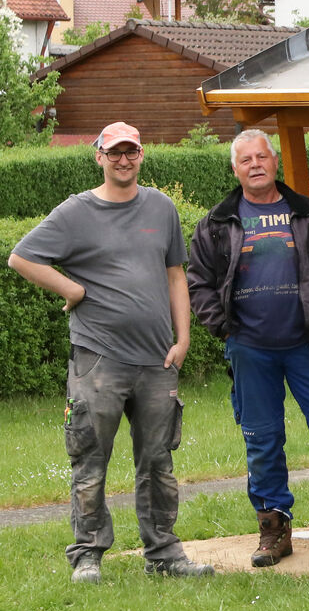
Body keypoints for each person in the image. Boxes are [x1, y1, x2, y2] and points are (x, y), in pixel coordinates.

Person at [8, 122, 213, 583]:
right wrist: (72, 289)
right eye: (114, 152)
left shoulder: (161, 207)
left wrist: (183, 339)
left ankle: (164, 555)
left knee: (158, 461)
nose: (124, 159)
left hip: (157, 361)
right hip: (97, 359)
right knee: (89, 458)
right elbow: (21, 256)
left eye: (131, 151)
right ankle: (87, 555)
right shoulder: (76, 212)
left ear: (142, 155)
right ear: (98, 156)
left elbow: (175, 274)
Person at [188, 129, 309, 568]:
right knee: (262, 439)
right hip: (249, 348)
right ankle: (274, 530)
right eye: (245, 160)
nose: (255, 165)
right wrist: (222, 327)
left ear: (274, 162)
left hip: (307, 346)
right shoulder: (217, 224)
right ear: (235, 169)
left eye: (262, 157)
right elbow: (197, 280)